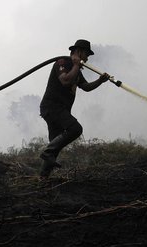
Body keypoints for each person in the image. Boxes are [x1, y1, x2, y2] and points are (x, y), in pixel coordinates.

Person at [39, 39, 110, 178]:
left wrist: (100, 81)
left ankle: (43, 178)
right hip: (52, 107)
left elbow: (86, 87)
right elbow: (65, 80)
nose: (87, 58)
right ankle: (47, 153)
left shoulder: (76, 69)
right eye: (86, 54)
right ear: (78, 51)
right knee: (75, 129)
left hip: (61, 110)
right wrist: (76, 65)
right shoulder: (62, 63)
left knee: (54, 147)